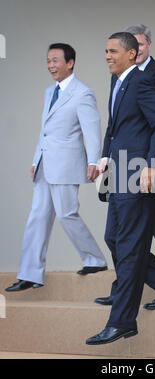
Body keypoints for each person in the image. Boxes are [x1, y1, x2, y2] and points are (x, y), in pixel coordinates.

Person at [85, 32, 155, 345]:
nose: (107, 56)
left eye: (113, 51)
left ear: (131, 53)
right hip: (117, 171)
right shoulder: (119, 82)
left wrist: (153, 165)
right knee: (114, 238)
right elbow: (115, 128)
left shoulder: (142, 81)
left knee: (127, 247)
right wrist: (102, 158)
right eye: (105, 51)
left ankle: (122, 321)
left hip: (137, 173)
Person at [6, 43, 107, 292]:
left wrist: (94, 161)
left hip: (66, 164)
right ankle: (30, 274)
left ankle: (95, 260)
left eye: (55, 60)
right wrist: (34, 160)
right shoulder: (49, 91)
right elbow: (46, 130)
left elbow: (92, 129)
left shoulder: (83, 93)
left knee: (66, 214)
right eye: (48, 60)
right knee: (37, 217)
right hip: (44, 164)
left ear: (70, 63)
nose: (50, 65)